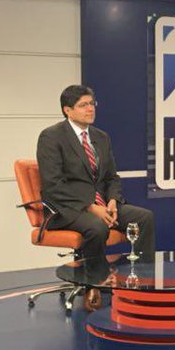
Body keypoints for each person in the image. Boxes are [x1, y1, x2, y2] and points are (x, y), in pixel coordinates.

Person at [36, 85, 156, 308]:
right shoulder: (51, 137)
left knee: (143, 217)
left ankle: (142, 282)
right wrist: (90, 207)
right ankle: (94, 286)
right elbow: (53, 185)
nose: (90, 109)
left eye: (92, 104)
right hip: (66, 208)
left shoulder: (101, 137)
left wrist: (112, 201)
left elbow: (111, 177)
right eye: (83, 105)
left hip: (102, 204)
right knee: (97, 227)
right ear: (67, 110)